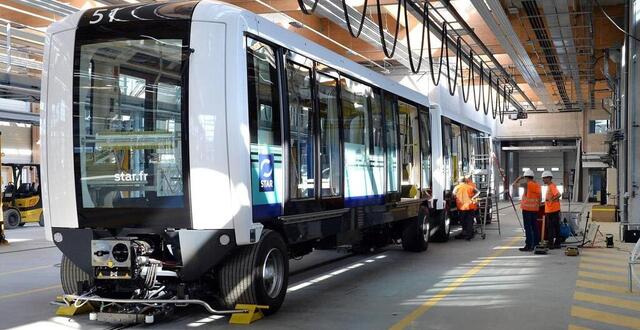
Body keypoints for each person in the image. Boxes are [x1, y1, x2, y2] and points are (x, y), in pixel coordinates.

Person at [512, 169, 542, 251]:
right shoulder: (537, 185)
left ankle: (528, 245)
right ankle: (536, 244)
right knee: (535, 227)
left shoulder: (526, 184)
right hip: (535, 209)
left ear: (526, 177)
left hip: (527, 209)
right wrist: (538, 205)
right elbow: (540, 197)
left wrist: (519, 178)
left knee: (528, 228)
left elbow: (514, 185)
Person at [542, 171, 562, 249]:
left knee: (551, 228)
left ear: (548, 178)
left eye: (544, 178)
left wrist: (551, 200)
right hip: (553, 210)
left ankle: (551, 244)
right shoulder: (550, 186)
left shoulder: (551, 186)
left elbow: (558, 194)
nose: (543, 180)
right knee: (556, 227)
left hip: (552, 211)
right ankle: (557, 243)